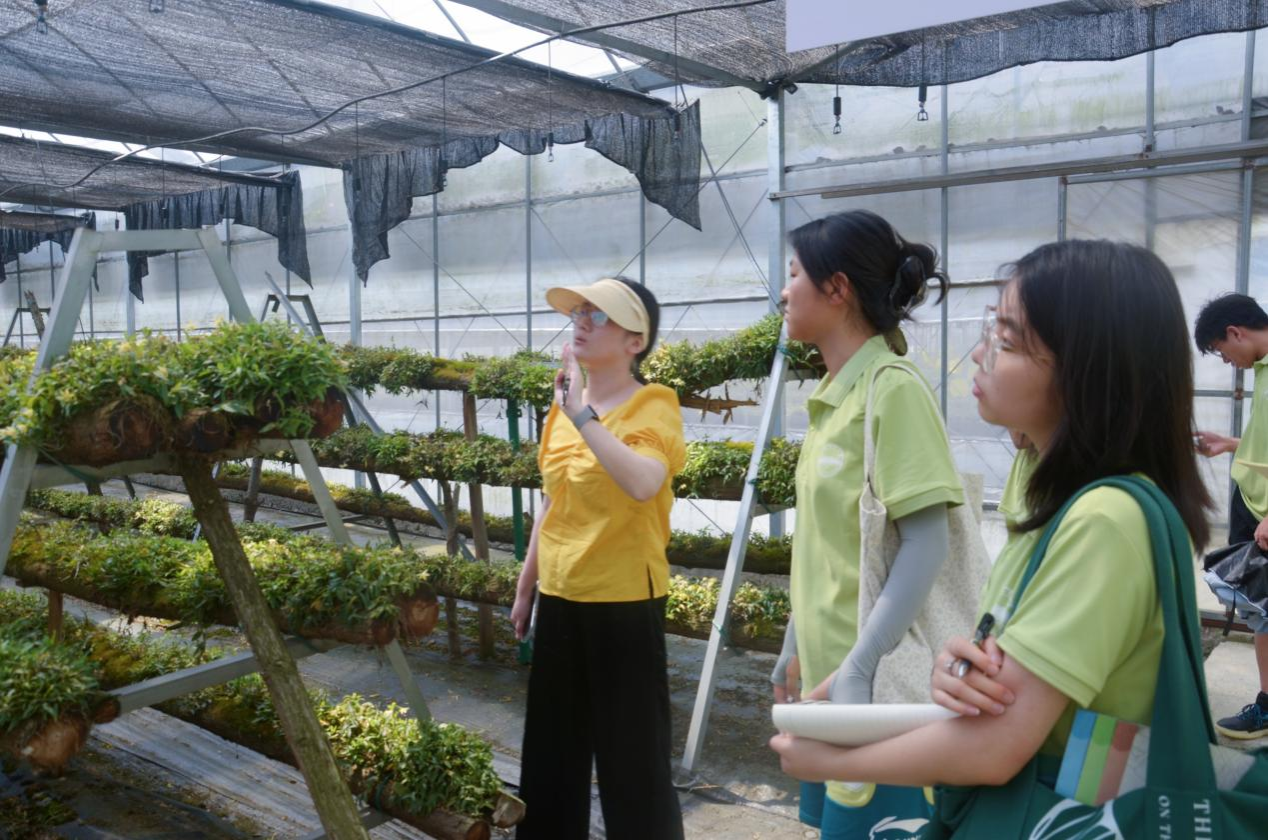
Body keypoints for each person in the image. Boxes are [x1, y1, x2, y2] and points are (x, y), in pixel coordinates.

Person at [769, 239, 1212, 815]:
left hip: (1061, 808)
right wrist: (956, 667)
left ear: (1086, 368)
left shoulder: (1104, 522)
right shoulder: (1046, 489)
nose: (979, 354)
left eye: (1006, 340)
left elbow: (997, 747)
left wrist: (834, 759)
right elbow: (1006, 675)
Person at [769, 210, 964, 837]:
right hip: (831, 684)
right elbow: (830, 545)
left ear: (837, 288)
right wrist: (795, 643)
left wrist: (861, 662)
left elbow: (927, 542)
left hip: (880, 689)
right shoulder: (832, 397)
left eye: (793, 274)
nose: (783, 291)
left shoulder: (892, 388)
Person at [510, 277, 686, 840]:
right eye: (579, 312)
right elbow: (553, 501)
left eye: (600, 314)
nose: (582, 322)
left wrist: (583, 415)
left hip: (624, 601)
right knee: (551, 755)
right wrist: (527, 585)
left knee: (633, 761)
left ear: (637, 341)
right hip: (562, 593)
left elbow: (642, 482)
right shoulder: (563, 407)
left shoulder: (652, 405)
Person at [1194, 293, 1268, 739]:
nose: (1228, 363)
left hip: (1265, 515)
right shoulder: (1262, 368)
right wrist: (1230, 444)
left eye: (1223, 353)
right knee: (1261, 611)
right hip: (1253, 504)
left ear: (1236, 332)